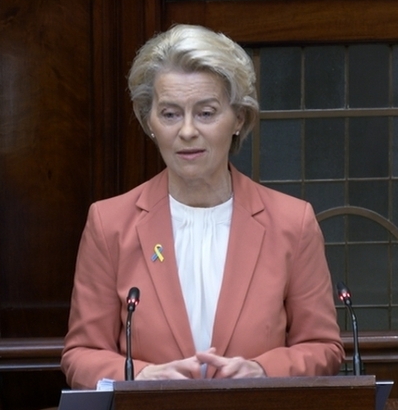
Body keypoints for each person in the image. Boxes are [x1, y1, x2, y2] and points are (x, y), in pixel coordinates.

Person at [61, 24, 344, 389]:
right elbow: (82, 354)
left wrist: (263, 371)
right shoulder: (109, 223)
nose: (188, 131)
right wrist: (142, 377)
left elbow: (323, 348)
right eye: (170, 114)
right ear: (149, 121)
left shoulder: (292, 222)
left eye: (206, 113)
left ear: (239, 118)